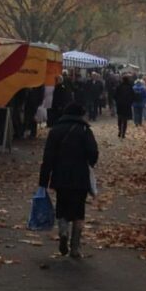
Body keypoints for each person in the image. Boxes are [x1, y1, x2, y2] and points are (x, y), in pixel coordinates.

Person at [38, 101, 99, 258]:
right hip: (80, 177)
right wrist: (88, 162)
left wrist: (43, 181)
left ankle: (63, 232)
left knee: (62, 206)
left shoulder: (55, 130)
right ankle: (75, 247)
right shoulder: (85, 130)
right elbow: (93, 154)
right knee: (79, 211)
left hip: (60, 175)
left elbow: (48, 157)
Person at [113, 74, 135, 138]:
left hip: (120, 105)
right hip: (127, 106)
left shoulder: (119, 86)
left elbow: (115, 95)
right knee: (125, 120)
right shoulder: (130, 87)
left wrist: (117, 101)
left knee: (120, 118)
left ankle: (120, 130)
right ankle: (123, 133)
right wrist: (130, 102)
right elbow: (133, 96)